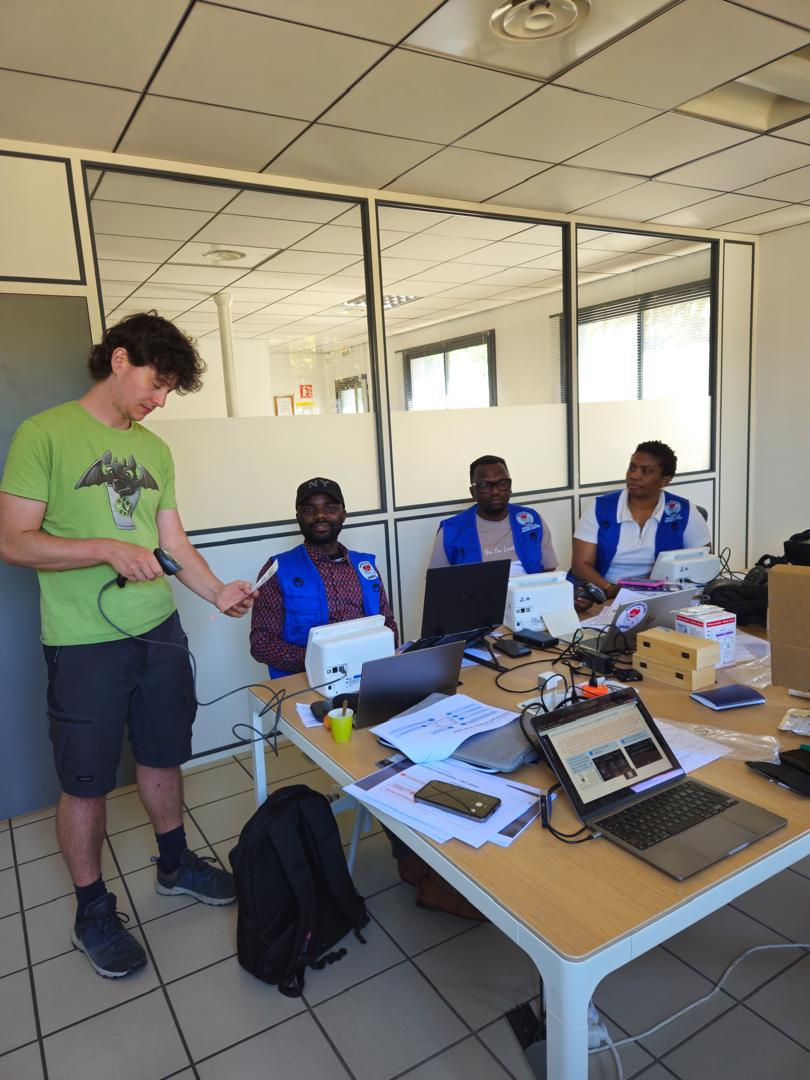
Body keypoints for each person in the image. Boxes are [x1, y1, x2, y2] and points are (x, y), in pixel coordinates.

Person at [0, 312, 256, 979]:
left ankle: (174, 864)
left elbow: (173, 543)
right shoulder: (43, 434)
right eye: (156, 382)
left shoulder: (156, 450)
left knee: (163, 754)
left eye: (170, 388)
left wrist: (216, 592)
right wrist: (106, 548)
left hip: (159, 632)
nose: (161, 399)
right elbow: (13, 540)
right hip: (83, 644)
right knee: (84, 782)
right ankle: (91, 911)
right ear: (119, 360)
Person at [250, 477, 398, 675]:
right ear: (299, 517)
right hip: (305, 681)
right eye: (309, 509)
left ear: (343, 514)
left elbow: (388, 624)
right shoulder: (277, 570)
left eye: (330, 508)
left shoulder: (365, 566)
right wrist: (325, 661)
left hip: (369, 675)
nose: (320, 515)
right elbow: (261, 643)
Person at [571, 440, 712, 600]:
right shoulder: (600, 507)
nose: (634, 476)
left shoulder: (683, 511)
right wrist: (610, 590)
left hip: (662, 593)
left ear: (665, 480)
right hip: (604, 593)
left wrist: (648, 588)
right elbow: (580, 564)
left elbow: (703, 563)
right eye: (632, 468)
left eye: (646, 471)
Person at [428, 454, 558, 575]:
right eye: (485, 485)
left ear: (510, 487)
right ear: (473, 492)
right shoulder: (450, 532)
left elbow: (549, 570)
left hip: (529, 591)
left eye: (502, 483)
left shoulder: (532, 520)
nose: (495, 491)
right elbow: (438, 583)